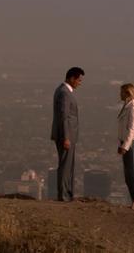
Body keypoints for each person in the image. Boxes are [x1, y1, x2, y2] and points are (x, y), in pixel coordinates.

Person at [51, 67, 83, 201]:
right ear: (72, 78)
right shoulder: (65, 93)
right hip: (66, 136)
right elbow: (64, 116)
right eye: (79, 80)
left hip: (67, 135)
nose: (80, 83)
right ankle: (64, 195)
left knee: (68, 166)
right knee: (65, 166)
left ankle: (67, 194)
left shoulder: (62, 90)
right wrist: (66, 137)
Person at [117, 83, 134, 210]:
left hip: (131, 143)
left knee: (132, 172)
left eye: (122, 92)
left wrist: (125, 146)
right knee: (128, 172)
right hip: (126, 142)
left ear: (127, 93)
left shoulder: (133, 108)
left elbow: (132, 130)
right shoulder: (127, 106)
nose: (120, 95)